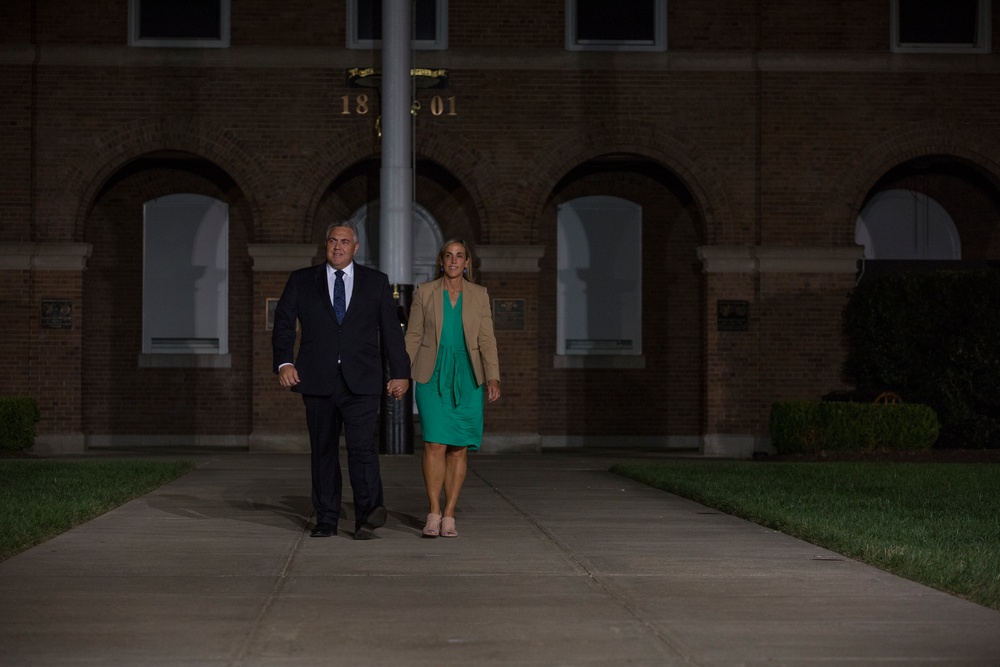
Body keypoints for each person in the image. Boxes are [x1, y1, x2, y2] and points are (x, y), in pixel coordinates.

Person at [272, 221, 410, 540]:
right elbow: (283, 322)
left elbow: (391, 332)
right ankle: (326, 518)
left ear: (355, 247)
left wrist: (400, 373)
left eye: (344, 242)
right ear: (326, 245)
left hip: (361, 381)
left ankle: (368, 515)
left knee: (362, 448)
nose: (338, 246)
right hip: (317, 380)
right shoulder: (302, 280)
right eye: (332, 241)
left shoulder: (376, 283)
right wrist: (283, 362)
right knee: (323, 451)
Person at [405, 239, 501, 538]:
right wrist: (399, 373)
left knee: (459, 447)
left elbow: (487, 339)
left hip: (468, 376)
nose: (454, 261)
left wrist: (493, 377)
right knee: (434, 442)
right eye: (449, 256)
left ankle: (450, 514)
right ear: (441, 261)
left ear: (467, 262)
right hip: (432, 373)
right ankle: (433, 511)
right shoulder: (425, 292)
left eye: (460, 256)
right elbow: (413, 335)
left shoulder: (479, 295)